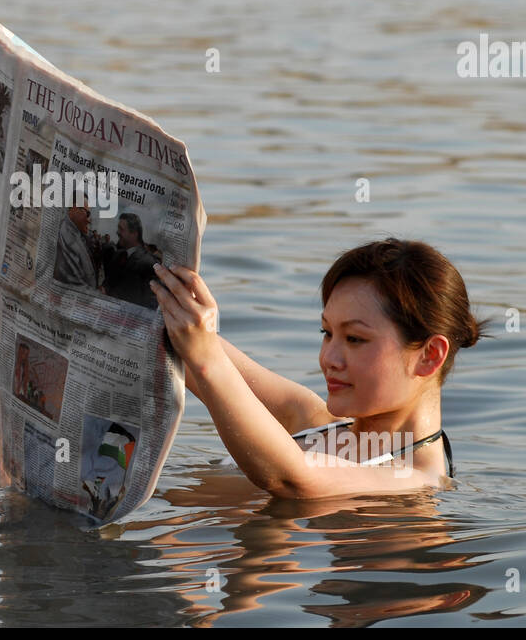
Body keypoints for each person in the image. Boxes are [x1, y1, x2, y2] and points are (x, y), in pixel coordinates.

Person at [150, 238, 487, 498]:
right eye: (327, 333)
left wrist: (206, 357)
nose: (329, 358)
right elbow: (190, 347)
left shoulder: (414, 481)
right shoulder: (312, 421)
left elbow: (289, 477)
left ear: (430, 355)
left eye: (354, 339)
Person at [99, 212, 158, 309]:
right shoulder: (117, 255)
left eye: (121, 229)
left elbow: (150, 304)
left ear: (134, 233)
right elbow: (108, 281)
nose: (117, 232)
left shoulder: (150, 264)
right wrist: (104, 288)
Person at [51, 205, 97, 289]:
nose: (88, 220)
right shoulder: (67, 234)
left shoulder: (78, 234)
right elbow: (72, 279)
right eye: (87, 213)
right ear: (74, 208)